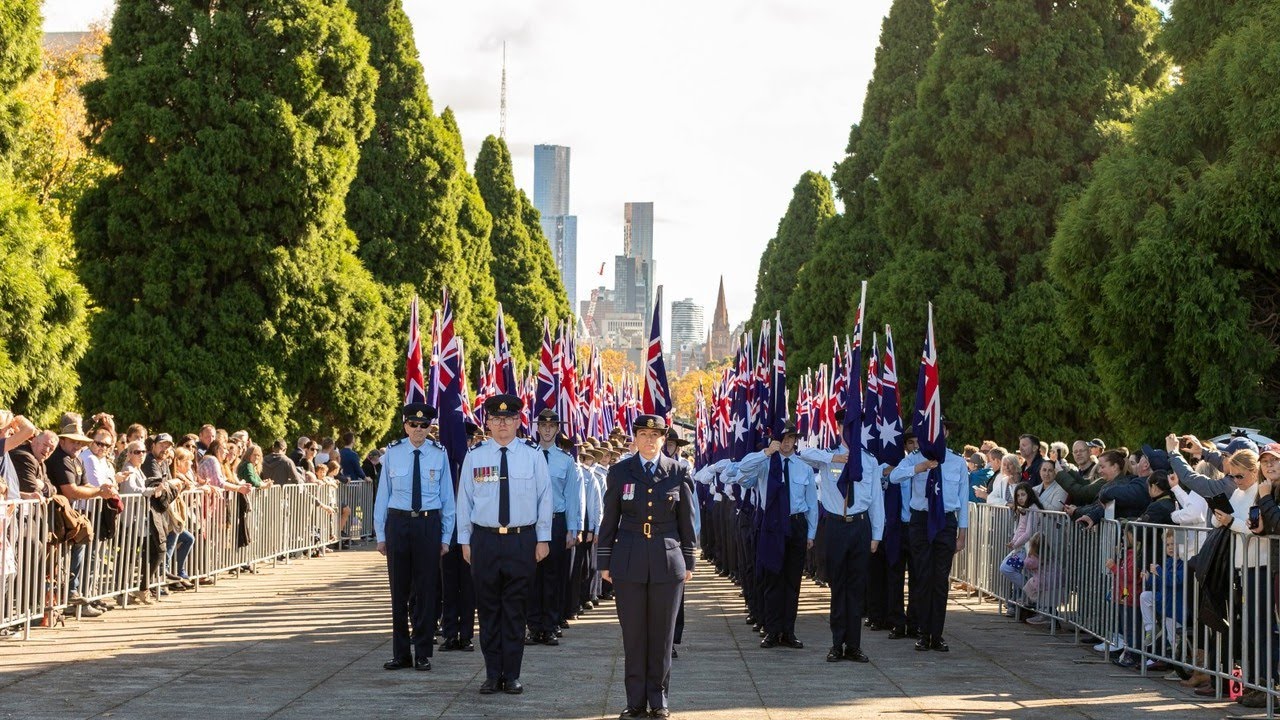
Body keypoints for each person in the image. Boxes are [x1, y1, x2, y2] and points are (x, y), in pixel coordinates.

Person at [597, 414, 696, 720]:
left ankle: (659, 699)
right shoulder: (620, 471)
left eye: (655, 436)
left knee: (663, 636)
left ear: (663, 439)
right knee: (634, 635)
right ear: (635, 438)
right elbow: (609, 519)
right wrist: (604, 561)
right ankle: (635, 702)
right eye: (643, 435)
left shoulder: (678, 471)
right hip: (628, 560)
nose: (649, 440)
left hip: (667, 561)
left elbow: (687, 520)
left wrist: (689, 560)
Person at [457, 394, 552, 696]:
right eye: (496, 419)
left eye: (509, 418)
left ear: (518, 421)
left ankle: (511, 675)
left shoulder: (532, 455)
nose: (502, 424)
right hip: (484, 540)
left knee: (515, 611)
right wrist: (464, 540)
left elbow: (545, 497)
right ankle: (491, 674)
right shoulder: (475, 456)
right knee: (487, 610)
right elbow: (464, 500)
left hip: (521, 540)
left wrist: (543, 538)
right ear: (487, 422)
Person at [374, 402, 455, 672]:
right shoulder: (393, 453)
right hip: (398, 524)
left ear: (430, 427)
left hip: (428, 524)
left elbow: (447, 498)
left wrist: (446, 537)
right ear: (405, 426)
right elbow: (383, 495)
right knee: (399, 591)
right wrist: (381, 534)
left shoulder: (439, 454)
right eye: (413, 424)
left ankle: (422, 652)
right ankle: (400, 653)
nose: (419, 429)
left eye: (424, 425)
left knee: (426, 591)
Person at [798, 427, 886, 663]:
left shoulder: (869, 460)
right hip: (836, 526)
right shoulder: (827, 455)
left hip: (860, 525)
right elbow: (803, 454)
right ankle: (837, 644)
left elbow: (876, 499)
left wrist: (877, 534)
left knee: (856, 589)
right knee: (838, 587)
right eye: (845, 426)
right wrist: (833, 458)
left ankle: (854, 645)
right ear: (838, 429)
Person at [731, 424, 818, 650]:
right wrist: (766, 452)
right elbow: (742, 471)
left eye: (791, 438)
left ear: (796, 440)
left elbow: (811, 503)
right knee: (772, 579)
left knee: (792, 581)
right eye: (783, 438)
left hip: (795, 525)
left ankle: (788, 631)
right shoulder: (765, 463)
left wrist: (811, 533)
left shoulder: (803, 467)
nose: (787, 442)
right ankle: (771, 630)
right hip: (771, 526)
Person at [890, 422, 968, 652]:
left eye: (941, 429)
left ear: (947, 433)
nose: (937, 433)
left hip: (945, 521)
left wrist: (962, 534)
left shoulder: (956, 461)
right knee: (923, 577)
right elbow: (894, 476)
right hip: (921, 521)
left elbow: (963, 499)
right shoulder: (916, 457)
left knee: (940, 580)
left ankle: (937, 634)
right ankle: (923, 633)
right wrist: (919, 467)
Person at [526, 409, 583, 646]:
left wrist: (572, 529)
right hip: (531, 523)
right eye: (543, 426)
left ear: (558, 429)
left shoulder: (566, 460)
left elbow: (572, 497)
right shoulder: (528, 456)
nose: (547, 430)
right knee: (532, 576)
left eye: (552, 426)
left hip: (556, 521)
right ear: (537, 428)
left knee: (553, 576)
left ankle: (549, 626)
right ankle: (533, 627)